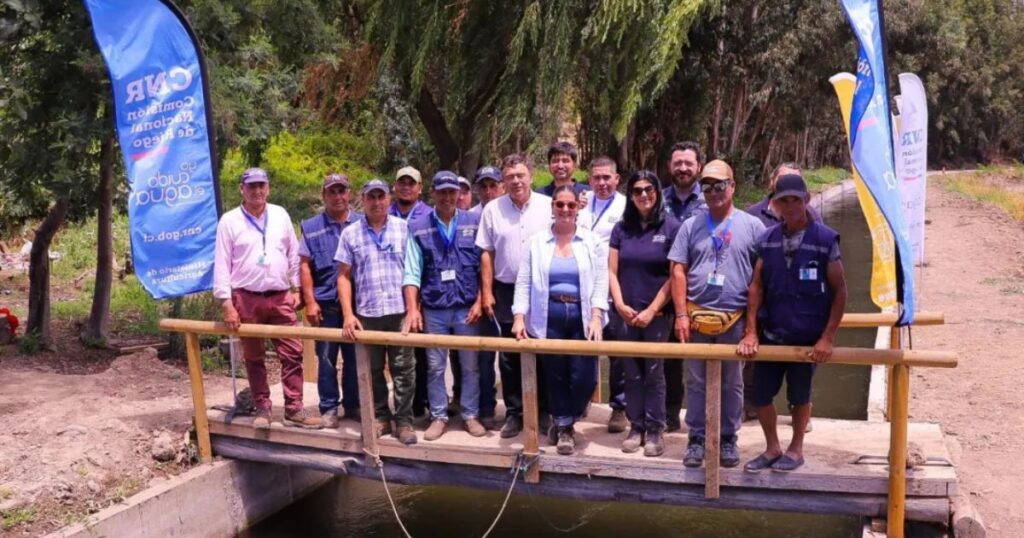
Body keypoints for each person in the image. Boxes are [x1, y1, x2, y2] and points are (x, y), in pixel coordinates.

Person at [737, 174, 847, 473]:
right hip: (772, 334)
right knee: (760, 396)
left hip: (807, 339)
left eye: (795, 199)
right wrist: (750, 332)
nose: (790, 206)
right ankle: (772, 447)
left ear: (806, 199)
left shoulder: (825, 240)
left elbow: (840, 292)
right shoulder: (767, 239)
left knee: (800, 398)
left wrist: (827, 338)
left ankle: (796, 449)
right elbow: (756, 287)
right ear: (774, 203)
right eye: (783, 200)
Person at [668, 159, 766, 468]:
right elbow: (678, 271)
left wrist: (752, 329)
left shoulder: (752, 226)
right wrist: (681, 315)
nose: (713, 192)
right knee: (695, 380)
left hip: (734, 319)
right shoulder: (691, 225)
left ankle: (727, 438)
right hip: (696, 318)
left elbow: (760, 279)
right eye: (707, 186)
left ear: (733, 186)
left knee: (732, 382)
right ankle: (696, 437)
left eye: (720, 185)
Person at [214, 167, 321, 429]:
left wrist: (297, 290)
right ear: (242, 189)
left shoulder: (280, 214)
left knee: (292, 353)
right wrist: (227, 304)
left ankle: (294, 408)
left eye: (261, 185)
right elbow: (221, 264)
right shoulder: (229, 221)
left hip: (280, 295)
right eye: (251, 186)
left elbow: (293, 255)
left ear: (268, 188)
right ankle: (262, 408)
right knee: (253, 356)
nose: (257, 191)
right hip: (246, 298)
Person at [512, 185, 608, 455]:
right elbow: (523, 282)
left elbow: (601, 281)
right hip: (548, 314)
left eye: (571, 205)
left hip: (582, 316)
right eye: (560, 205)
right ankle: (564, 428)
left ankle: (571, 413)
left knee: (584, 377)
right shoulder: (536, 242)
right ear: (552, 207)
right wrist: (519, 317)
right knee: (555, 375)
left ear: (578, 208)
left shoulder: (592, 242)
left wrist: (597, 315)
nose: (565, 210)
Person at [402, 171, 488, 440]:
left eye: (454, 191)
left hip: (467, 309)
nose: (449, 197)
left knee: (470, 365)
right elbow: (412, 272)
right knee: (435, 366)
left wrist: (480, 301)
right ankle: (438, 416)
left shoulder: (474, 222)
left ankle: (470, 415)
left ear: (460, 193)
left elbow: (484, 265)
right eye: (443, 192)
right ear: (433, 193)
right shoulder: (418, 226)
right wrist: (413, 309)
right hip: (435, 308)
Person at [336, 179, 417, 445]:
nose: (376, 202)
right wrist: (348, 314)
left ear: (389, 199)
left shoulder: (404, 230)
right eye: (371, 197)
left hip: (399, 312)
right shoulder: (351, 234)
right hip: (368, 314)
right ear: (363, 199)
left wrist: (414, 309)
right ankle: (381, 417)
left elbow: (413, 272)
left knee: (404, 369)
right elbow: (344, 277)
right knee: (372, 371)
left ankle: (404, 421)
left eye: (381, 196)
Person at [477, 154, 553, 438]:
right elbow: (486, 252)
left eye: (520, 175)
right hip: (505, 289)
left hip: (541, 288)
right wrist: (487, 293)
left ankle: (544, 411)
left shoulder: (548, 206)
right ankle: (515, 413)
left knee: (542, 349)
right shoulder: (492, 210)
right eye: (510, 177)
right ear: (503, 181)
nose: (516, 181)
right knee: (509, 356)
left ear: (531, 176)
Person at [607, 171, 681, 456]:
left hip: (657, 316)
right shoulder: (621, 229)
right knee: (631, 373)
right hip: (625, 313)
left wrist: (652, 310)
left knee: (654, 372)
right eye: (637, 190)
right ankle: (635, 425)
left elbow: (674, 276)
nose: (643, 195)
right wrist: (620, 304)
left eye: (649, 189)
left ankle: (655, 429)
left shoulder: (671, 227)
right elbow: (612, 271)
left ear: (658, 191)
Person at [743, 162, 821, 426]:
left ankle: (799, 412)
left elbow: (832, 279)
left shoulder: (815, 221)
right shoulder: (753, 216)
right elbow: (753, 275)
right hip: (769, 317)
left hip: (805, 319)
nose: (790, 198)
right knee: (760, 377)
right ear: (772, 183)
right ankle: (753, 410)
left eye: (796, 186)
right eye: (784, 183)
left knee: (802, 377)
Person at [299, 173, 363, 428]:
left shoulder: (362, 222)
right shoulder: (312, 227)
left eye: (342, 191)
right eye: (332, 192)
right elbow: (304, 266)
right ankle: (328, 408)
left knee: (355, 357)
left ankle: (354, 404)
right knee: (325, 358)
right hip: (326, 304)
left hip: (357, 304)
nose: (338, 196)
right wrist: (310, 302)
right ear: (324, 195)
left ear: (349, 193)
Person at [577, 156, 628, 433]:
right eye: (596, 178)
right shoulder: (581, 204)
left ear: (617, 179)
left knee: (617, 352)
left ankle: (619, 408)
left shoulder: (626, 206)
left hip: (615, 288)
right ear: (589, 179)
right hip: (585, 290)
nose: (602, 183)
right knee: (586, 350)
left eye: (607, 177)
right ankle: (583, 399)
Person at [662, 141, 708, 432]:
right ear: (670, 167)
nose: (682, 168)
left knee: (701, 363)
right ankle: (669, 414)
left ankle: (704, 422)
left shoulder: (711, 199)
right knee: (667, 358)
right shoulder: (658, 198)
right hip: (662, 290)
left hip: (700, 293)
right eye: (677, 163)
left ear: (698, 167)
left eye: (688, 163)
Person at [389, 165, 431, 419]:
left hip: (423, 295)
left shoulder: (428, 214)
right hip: (391, 295)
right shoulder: (384, 211)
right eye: (401, 182)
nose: (406, 187)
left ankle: (420, 404)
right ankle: (398, 406)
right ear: (394, 186)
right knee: (397, 355)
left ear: (420, 188)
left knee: (422, 353)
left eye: (411, 183)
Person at [746, 162, 821, 228]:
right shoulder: (753, 214)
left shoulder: (812, 215)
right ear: (772, 181)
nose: (788, 182)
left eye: (794, 179)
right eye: (782, 178)